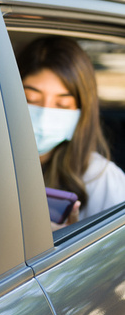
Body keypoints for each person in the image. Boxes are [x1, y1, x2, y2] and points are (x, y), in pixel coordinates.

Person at [17, 36, 125, 227]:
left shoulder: (101, 178)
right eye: (30, 99)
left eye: (62, 105)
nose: (44, 116)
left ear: (82, 110)